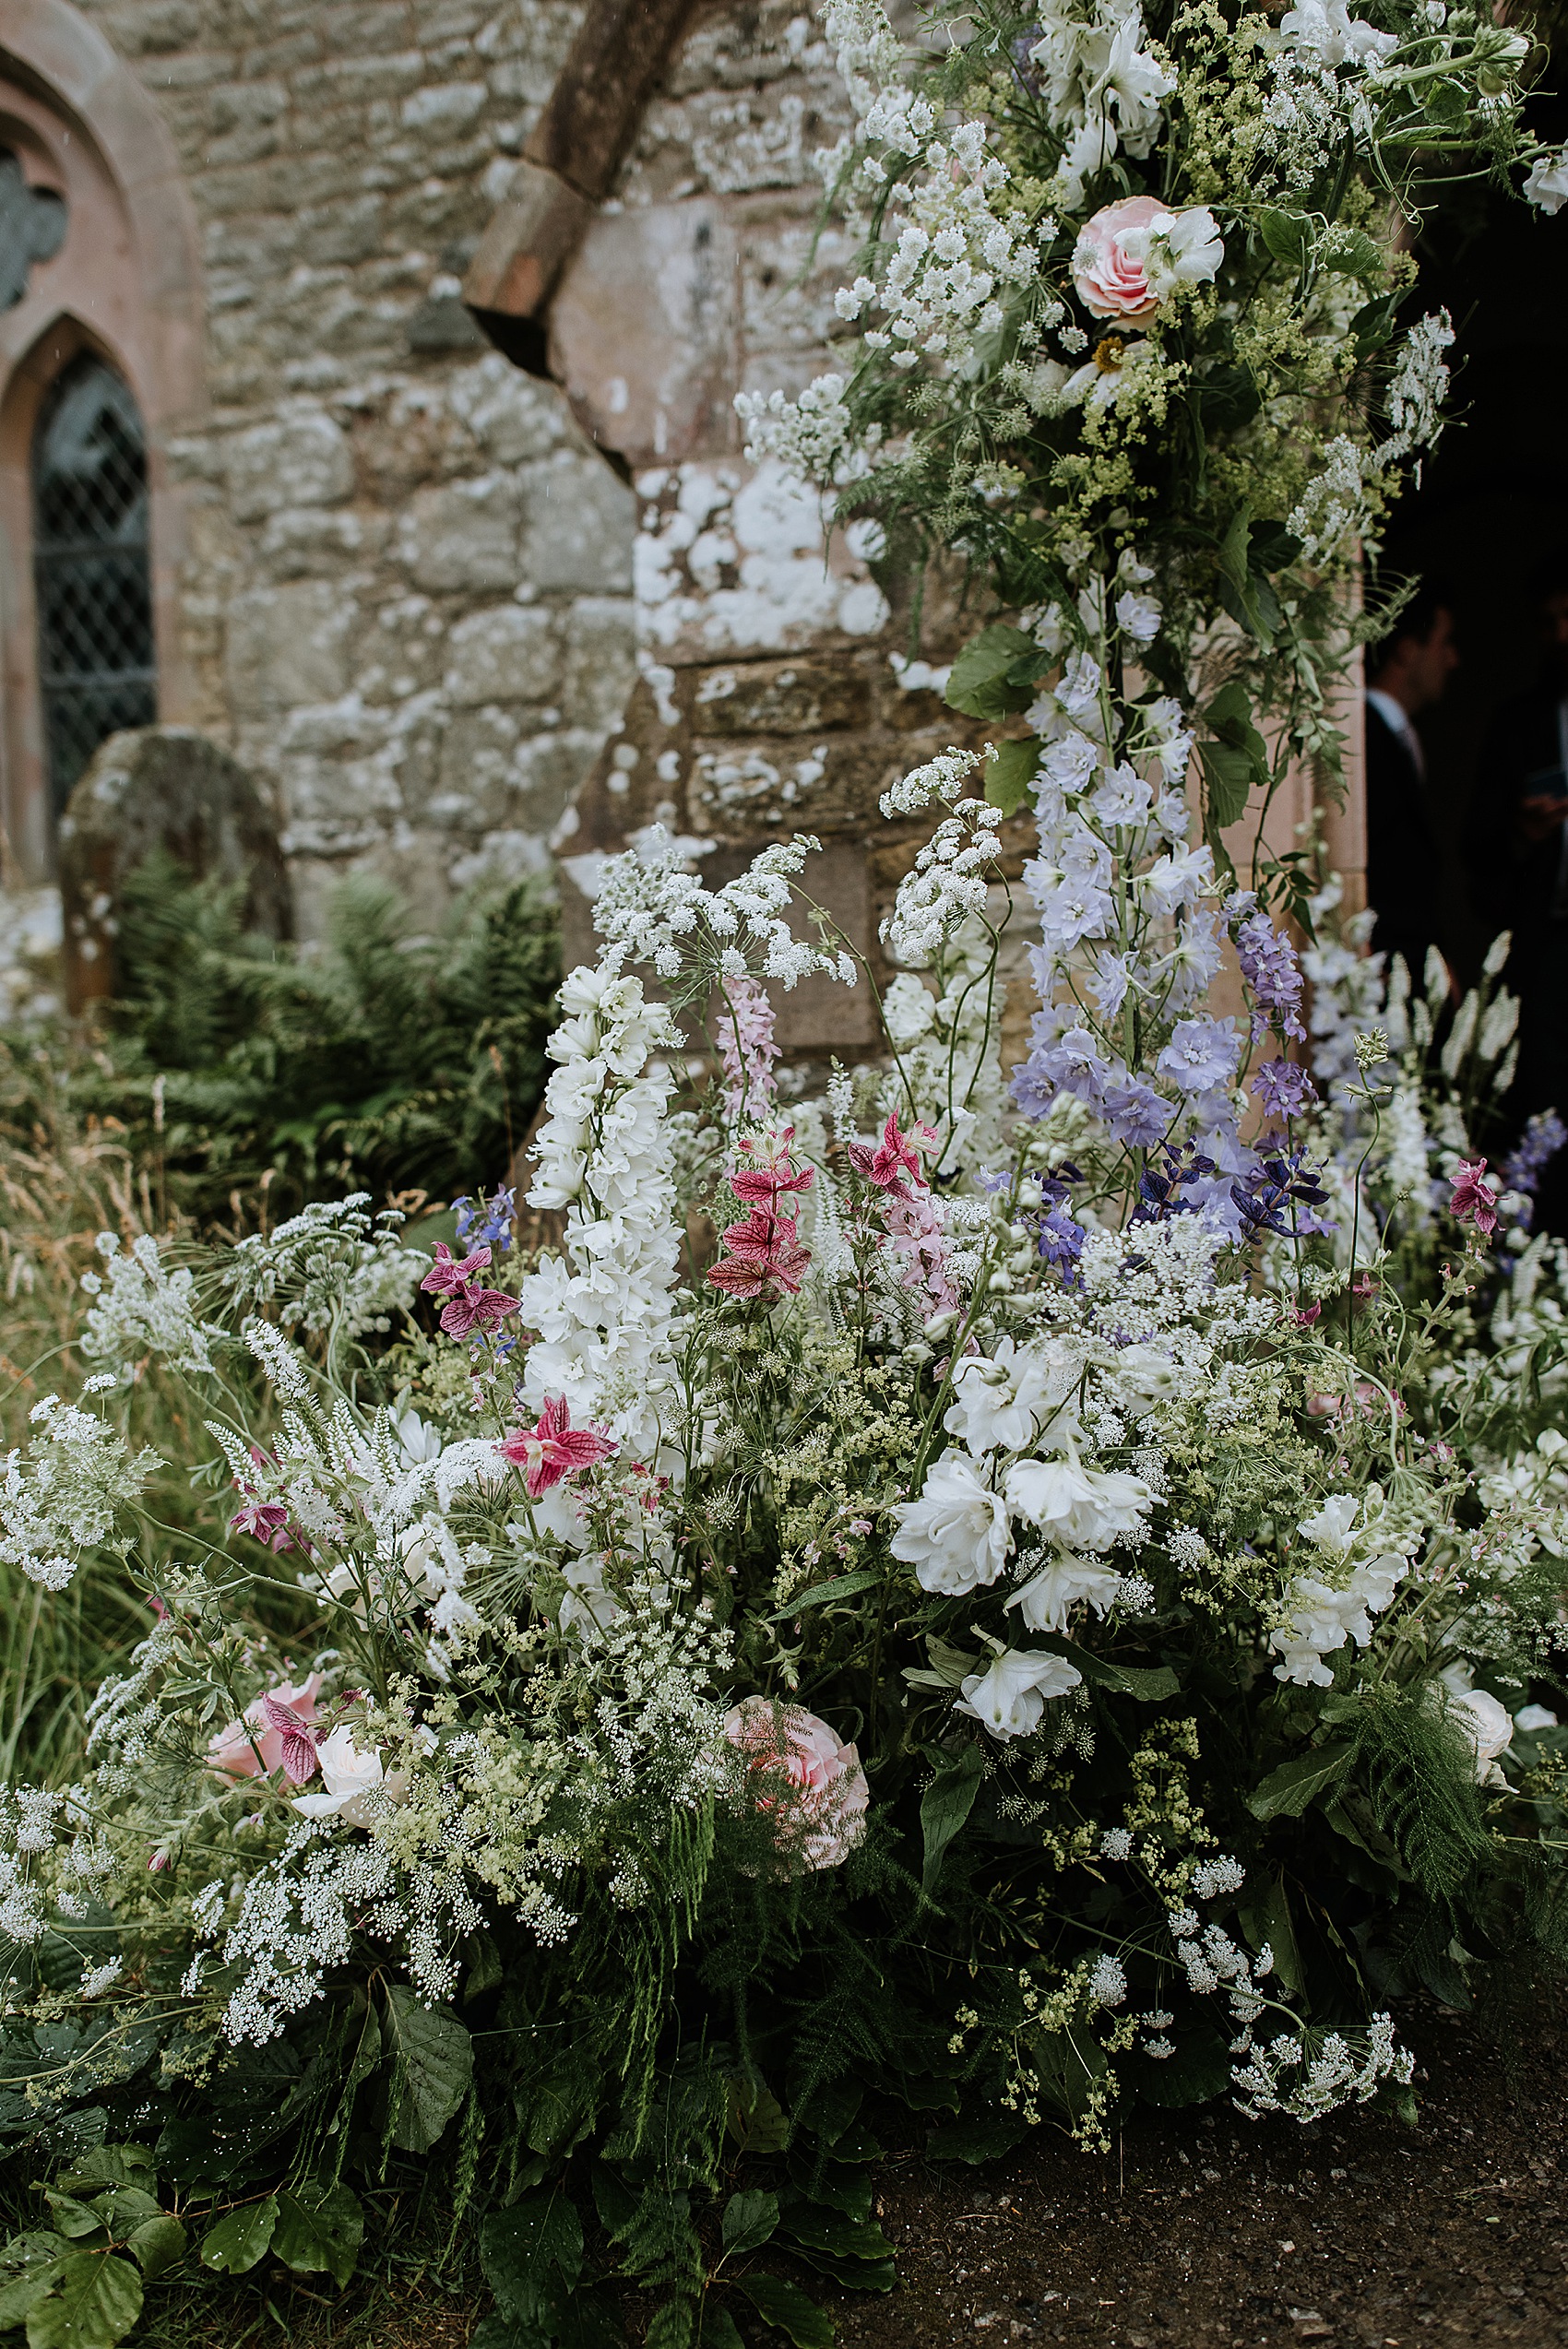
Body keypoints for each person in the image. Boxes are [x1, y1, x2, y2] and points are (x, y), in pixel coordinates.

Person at [1470, 553, 1568, 1233]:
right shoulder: (1519, 724)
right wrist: (1526, 835)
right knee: (1549, 1111)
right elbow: (1475, 851)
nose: (1561, 634)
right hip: (1550, 946)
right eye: (1549, 622)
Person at [1363, 582, 1459, 989]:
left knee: (1396, 1055)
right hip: (1381, 974)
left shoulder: (1396, 735)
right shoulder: (1366, 736)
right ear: (1406, 648)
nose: (1453, 659)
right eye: (1444, 643)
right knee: (1369, 1055)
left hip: (1408, 971)